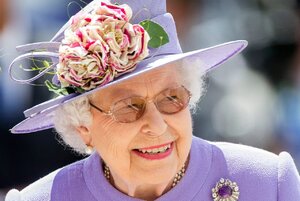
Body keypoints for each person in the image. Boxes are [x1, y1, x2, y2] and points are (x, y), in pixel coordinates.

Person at [5, 0, 300, 200]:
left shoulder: (269, 183)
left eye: (171, 98)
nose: (157, 126)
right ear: (84, 127)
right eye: (128, 107)